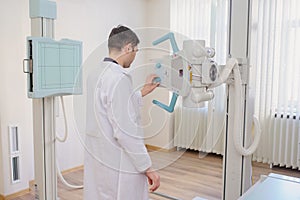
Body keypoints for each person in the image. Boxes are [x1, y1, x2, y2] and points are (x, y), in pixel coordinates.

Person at [84, 25, 160, 200]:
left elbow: (110, 107)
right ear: (128, 47)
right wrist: (148, 167)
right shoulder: (118, 78)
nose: (134, 56)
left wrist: (143, 91)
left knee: (99, 193)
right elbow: (126, 131)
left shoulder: (95, 74)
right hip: (117, 160)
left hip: (99, 155)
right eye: (135, 51)